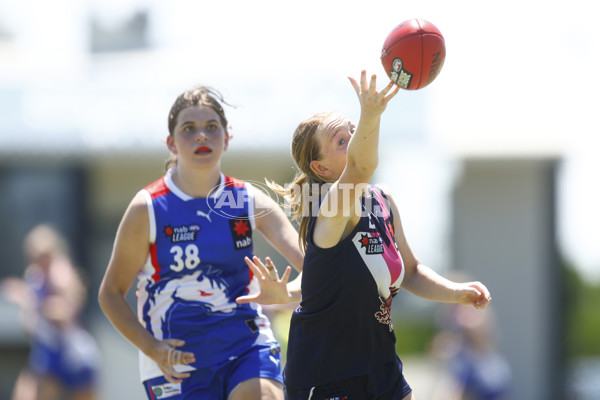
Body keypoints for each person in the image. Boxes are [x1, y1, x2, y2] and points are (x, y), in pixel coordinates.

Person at [245, 70, 493, 400]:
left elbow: (412, 271)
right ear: (321, 169)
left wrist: (456, 292)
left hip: (381, 366)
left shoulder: (383, 200)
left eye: (354, 131)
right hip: (327, 374)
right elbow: (360, 168)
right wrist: (371, 114)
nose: (358, 137)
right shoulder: (332, 209)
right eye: (342, 140)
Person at [98, 85, 303, 400]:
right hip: (176, 359)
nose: (202, 136)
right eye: (189, 129)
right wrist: (152, 347)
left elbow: (318, 266)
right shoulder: (148, 208)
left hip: (245, 344)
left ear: (227, 137)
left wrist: (285, 292)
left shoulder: (247, 200)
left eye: (211, 127)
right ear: (171, 143)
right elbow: (110, 294)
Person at [1, 223, 100, 400]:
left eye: (43, 256)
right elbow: (30, 323)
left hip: (72, 354)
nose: (40, 261)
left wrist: (28, 300)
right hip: (47, 352)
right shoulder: (34, 276)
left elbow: (64, 312)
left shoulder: (60, 271)